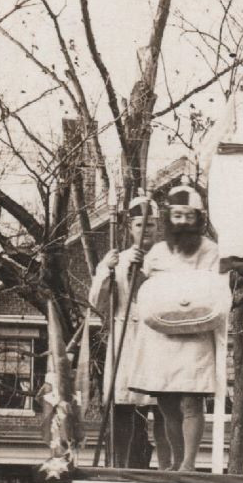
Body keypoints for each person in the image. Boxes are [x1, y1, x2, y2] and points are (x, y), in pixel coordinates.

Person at [124, 184, 221, 472]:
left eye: (187, 216)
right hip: (162, 336)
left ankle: (189, 463)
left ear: (198, 219)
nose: (181, 222)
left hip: (195, 335)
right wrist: (132, 269)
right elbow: (141, 292)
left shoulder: (211, 251)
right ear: (169, 218)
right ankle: (177, 460)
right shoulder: (155, 253)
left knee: (191, 401)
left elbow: (213, 290)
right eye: (176, 216)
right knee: (166, 404)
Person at [87, 198, 163, 469]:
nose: (146, 231)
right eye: (140, 225)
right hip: (126, 339)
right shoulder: (117, 262)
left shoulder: (165, 260)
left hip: (156, 338)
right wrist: (106, 272)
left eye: (151, 225)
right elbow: (98, 303)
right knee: (123, 404)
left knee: (161, 403)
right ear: (130, 227)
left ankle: (166, 466)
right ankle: (120, 465)